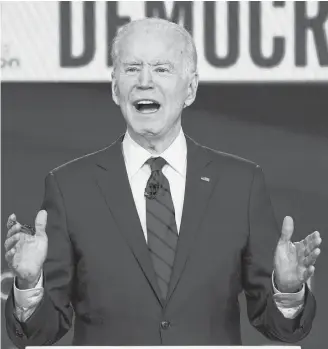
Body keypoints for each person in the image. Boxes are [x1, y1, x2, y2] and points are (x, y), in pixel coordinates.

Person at [4, 18, 322, 347]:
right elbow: (39, 333)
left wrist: (287, 289)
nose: (144, 81)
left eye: (161, 69)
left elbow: (281, 330)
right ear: (115, 88)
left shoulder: (240, 185)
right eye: (131, 68)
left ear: (191, 88)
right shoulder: (69, 187)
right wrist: (28, 283)